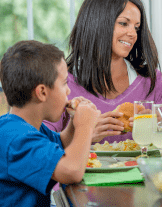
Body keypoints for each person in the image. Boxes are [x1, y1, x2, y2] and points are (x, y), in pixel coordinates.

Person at [44, 0, 162, 144]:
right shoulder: (60, 84)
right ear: (97, 24)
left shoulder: (154, 83)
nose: (133, 34)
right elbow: (38, 150)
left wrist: (160, 128)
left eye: (137, 27)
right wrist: (84, 136)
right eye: (124, 23)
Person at [0, 40, 100, 207]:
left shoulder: (26, 127)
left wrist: (75, 124)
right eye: (64, 84)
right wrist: (85, 126)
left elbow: (61, 144)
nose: (68, 91)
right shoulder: (15, 138)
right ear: (42, 92)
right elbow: (72, 171)